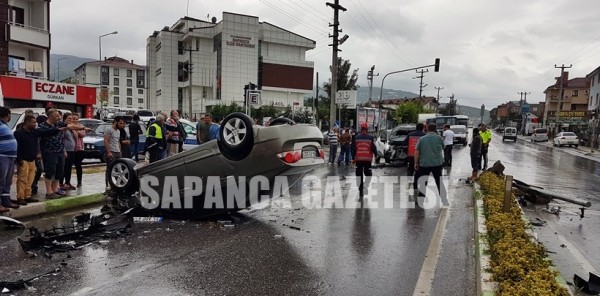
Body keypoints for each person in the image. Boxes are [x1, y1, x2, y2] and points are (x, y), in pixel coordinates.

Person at [38, 109, 72, 199]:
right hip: (49, 152)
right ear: (50, 116)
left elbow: (69, 126)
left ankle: (55, 189)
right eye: (57, 116)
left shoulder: (59, 123)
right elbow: (41, 138)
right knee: (50, 171)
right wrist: (39, 152)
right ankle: (49, 192)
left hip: (60, 151)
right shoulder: (43, 126)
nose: (59, 117)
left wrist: (83, 128)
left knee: (59, 171)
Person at [14, 115, 41, 205]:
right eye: (33, 122)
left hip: (32, 160)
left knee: (30, 179)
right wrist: (19, 159)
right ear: (27, 122)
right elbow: (17, 147)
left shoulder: (33, 132)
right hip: (23, 160)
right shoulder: (19, 133)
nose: (35, 124)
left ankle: (27, 196)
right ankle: (20, 197)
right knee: (22, 179)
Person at [413, 123, 445, 198]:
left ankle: (421, 198)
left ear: (427, 129)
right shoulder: (439, 138)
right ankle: (443, 198)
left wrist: (416, 163)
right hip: (437, 163)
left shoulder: (422, 139)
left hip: (424, 164)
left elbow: (417, 152)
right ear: (435, 129)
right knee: (439, 181)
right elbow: (444, 147)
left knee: (423, 182)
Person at [0, 107, 19, 211]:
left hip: (10, 156)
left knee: (7, 180)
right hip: (2, 156)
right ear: (7, 115)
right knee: (1, 180)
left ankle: (5, 200)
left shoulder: (4, 125)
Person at [352, 122, 377, 195]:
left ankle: (360, 188)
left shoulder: (356, 138)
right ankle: (366, 184)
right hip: (367, 160)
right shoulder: (370, 138)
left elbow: (354, 149)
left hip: (358, 159)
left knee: (359, 174)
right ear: (367, 129)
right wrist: (376, 154)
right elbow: (373, 148)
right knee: (368, 174)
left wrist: (353, 158)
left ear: (361, 129)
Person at [70, 114, 87, 187]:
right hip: (71, 149)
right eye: (73, 119)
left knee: (78, 166)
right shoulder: (69, 126)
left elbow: (82, 135)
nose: (75, 120)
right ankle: (67, 182)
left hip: (79, 148)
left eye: (76, 119)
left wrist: (76, 129)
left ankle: (79, 181)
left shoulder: (81, 126)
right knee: (68, 166)